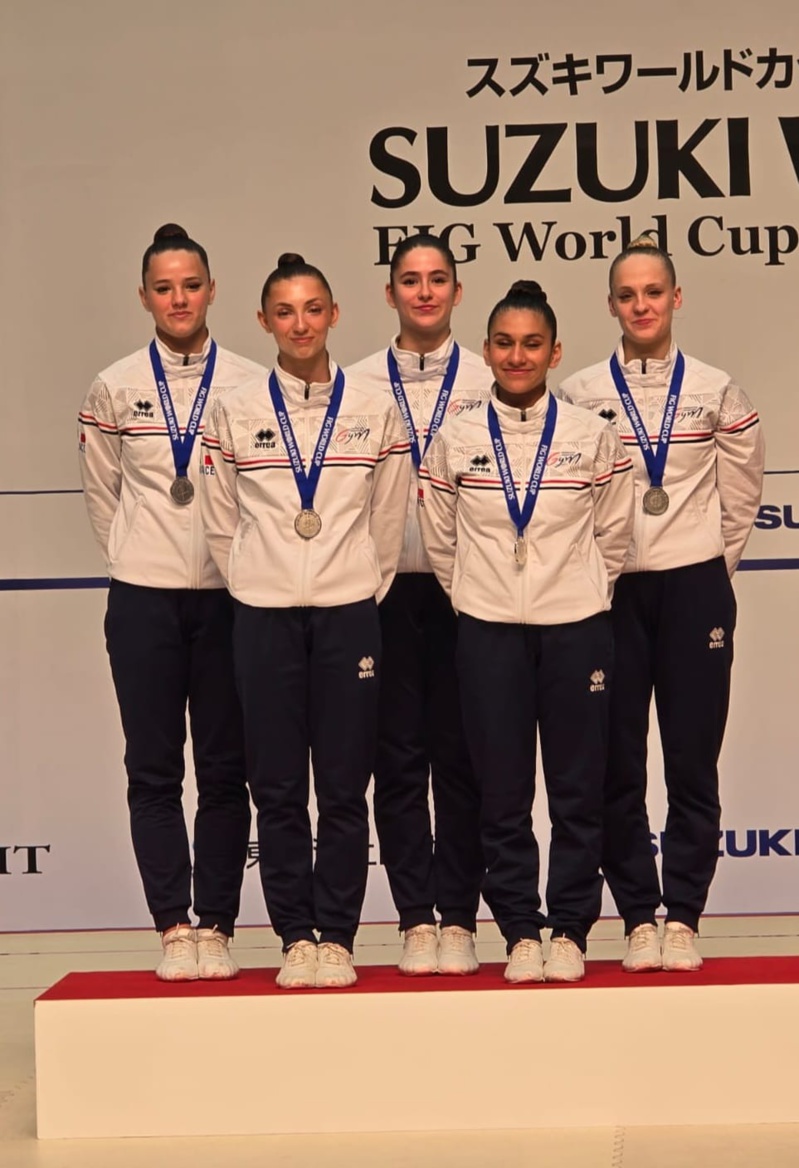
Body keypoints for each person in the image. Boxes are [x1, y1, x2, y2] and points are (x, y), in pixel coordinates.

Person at [200, 253, 410, 989]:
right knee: (279, 786)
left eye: (312, 308)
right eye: (284, 311)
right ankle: (295, 934)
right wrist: (259, 580)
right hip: (262, 617)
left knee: (347, 786)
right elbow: (221, 524)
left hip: (350, 613)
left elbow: (387, 522)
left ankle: (340, 938)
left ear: (334, 314)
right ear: (263, 321)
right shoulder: (234, 411)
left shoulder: (373, 410)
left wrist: (354, 584)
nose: (299, 323)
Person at [558, 233, 765, 973]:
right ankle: (638, 914)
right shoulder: (580, 393)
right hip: (610, 596)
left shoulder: (715, 389)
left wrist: (706, 564)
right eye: (626, 294)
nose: (640, 305)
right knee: (616, 765)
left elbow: (740, 498)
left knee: (690, 763)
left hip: (692, 588)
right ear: (609, 304)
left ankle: (682, 915)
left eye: (652, 292)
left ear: (675, 298)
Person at [419, 281, 634, 983]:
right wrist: (480, 598)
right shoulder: (453, 438)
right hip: (487, 632)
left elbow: (613, 534)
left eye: (532, 344)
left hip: (575, 630)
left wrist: (578, 592)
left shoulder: (589, 435)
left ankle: (568, 927)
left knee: (577, 789)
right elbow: (441, 542)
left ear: (554, 352)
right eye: (505, 343)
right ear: (486, 352)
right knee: (500, 792)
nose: (518, 356)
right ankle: (517, 928)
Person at [78, 223, 264, 981]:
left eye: (191, 285)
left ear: (211, 289)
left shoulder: (251, 384)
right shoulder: (114, 386)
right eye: (164, 287)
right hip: (145, 600)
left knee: (225, 770)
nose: (179, 299)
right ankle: (173, 927)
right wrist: (138, 558)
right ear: (145, 297)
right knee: (152, 769)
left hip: (228, 600)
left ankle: (216, 923)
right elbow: (103, 499)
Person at [346, 233, 491, 976]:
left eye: (438, 279)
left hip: (470, 593)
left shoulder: (494, 376)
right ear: (390, 293)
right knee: (396, 759)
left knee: (460, 759)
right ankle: (413, 919)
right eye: (410, 280)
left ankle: (460, 917)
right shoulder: (356, 383)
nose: (425, 292)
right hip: (384, 594)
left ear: (457, 293)